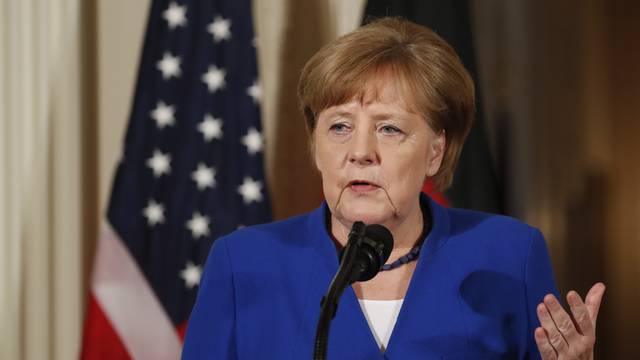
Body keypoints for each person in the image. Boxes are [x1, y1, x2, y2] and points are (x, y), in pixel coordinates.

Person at [182, 17, 605, 359]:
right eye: (340, 126)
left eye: (389, 128)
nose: (360, 151)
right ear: (316, 147)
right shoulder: (242, 265)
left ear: (435, 152)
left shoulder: (510, 254)